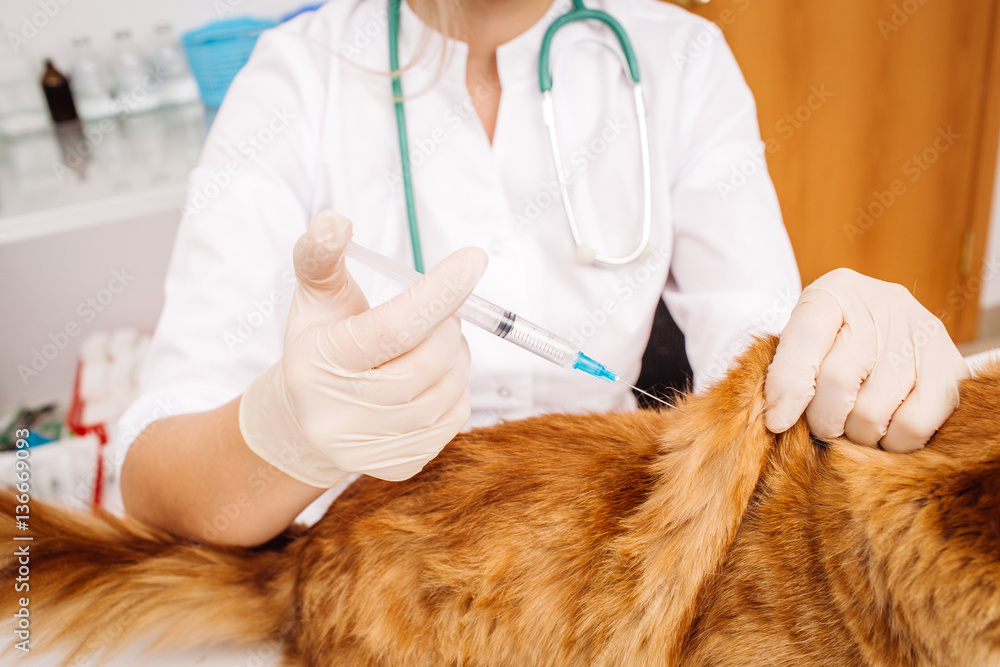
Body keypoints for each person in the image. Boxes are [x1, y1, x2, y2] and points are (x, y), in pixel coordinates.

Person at [114, 0, 969, 547]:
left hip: (608, 532)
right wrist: (293, 433)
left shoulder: (678, 57)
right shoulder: (296, 78)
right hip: (362, 553)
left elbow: (764, 363)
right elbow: (155, 482)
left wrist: (841, 347)